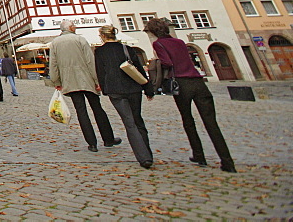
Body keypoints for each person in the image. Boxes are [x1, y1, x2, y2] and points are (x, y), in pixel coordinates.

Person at [145, 17, 235, 172]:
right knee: (211, 123)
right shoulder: (179, 42)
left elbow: (167, 63)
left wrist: (155, 64)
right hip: (198, 82)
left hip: (182, 83)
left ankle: (199, 155)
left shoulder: (158, 43)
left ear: (153, 32)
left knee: (188, 120)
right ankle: (227, 162)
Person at [49, 20, 121, 152]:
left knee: (81, 112)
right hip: (86, 79)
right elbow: (90, 61)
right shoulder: (80, 40)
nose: (75, 27)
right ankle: (108, 139)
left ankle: (92, 143)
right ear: (70, 28)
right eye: (74, 25)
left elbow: (53, 64)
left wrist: (57, 82)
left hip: (69, 81)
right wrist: (97, 80)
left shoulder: (55, 43)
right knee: (97, 108)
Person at [95, 25, 155, 169]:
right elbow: (139, 69)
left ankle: (144, 157)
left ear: (102, 36)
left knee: (129, 122)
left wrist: (104, 89)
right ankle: (147, 153)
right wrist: (147, 88)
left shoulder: (100, 51)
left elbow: (100, 72)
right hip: (133, 88)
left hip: (115, 90)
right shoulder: (126, 48)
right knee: (138, 119)